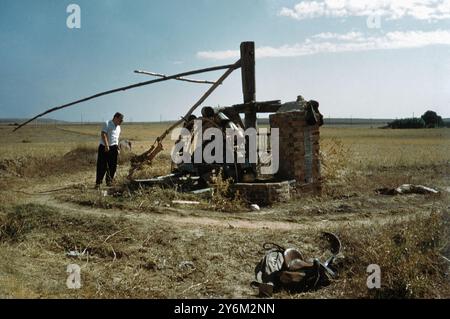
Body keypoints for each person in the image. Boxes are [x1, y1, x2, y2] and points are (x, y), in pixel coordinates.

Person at [95, 112, 124, 188]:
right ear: (116, 118)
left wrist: (117, 147)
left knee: (113, 166)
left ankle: (109, 182)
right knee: (102, 166)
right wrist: (107, 145)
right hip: (104, 147)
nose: (121, 122)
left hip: (114, 148)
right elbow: (103, 134)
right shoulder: (107, 123)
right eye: (120, 120)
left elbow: (116, 138)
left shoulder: (118, 127)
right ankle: (98, 183)